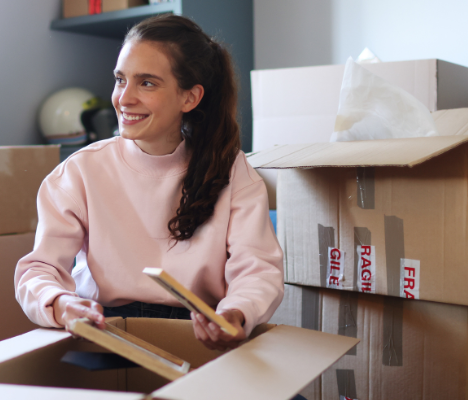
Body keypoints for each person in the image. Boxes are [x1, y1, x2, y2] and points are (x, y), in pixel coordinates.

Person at [15, 15, 283, 351]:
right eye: (120, 80)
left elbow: (258, 269)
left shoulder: (231, 170)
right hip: (104, 331)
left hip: (201, 335)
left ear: (190, 98)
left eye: (147, 83)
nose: (124, 99)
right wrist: (60, 304)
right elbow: (39, 269)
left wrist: (237, 313)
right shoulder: (80, 171)